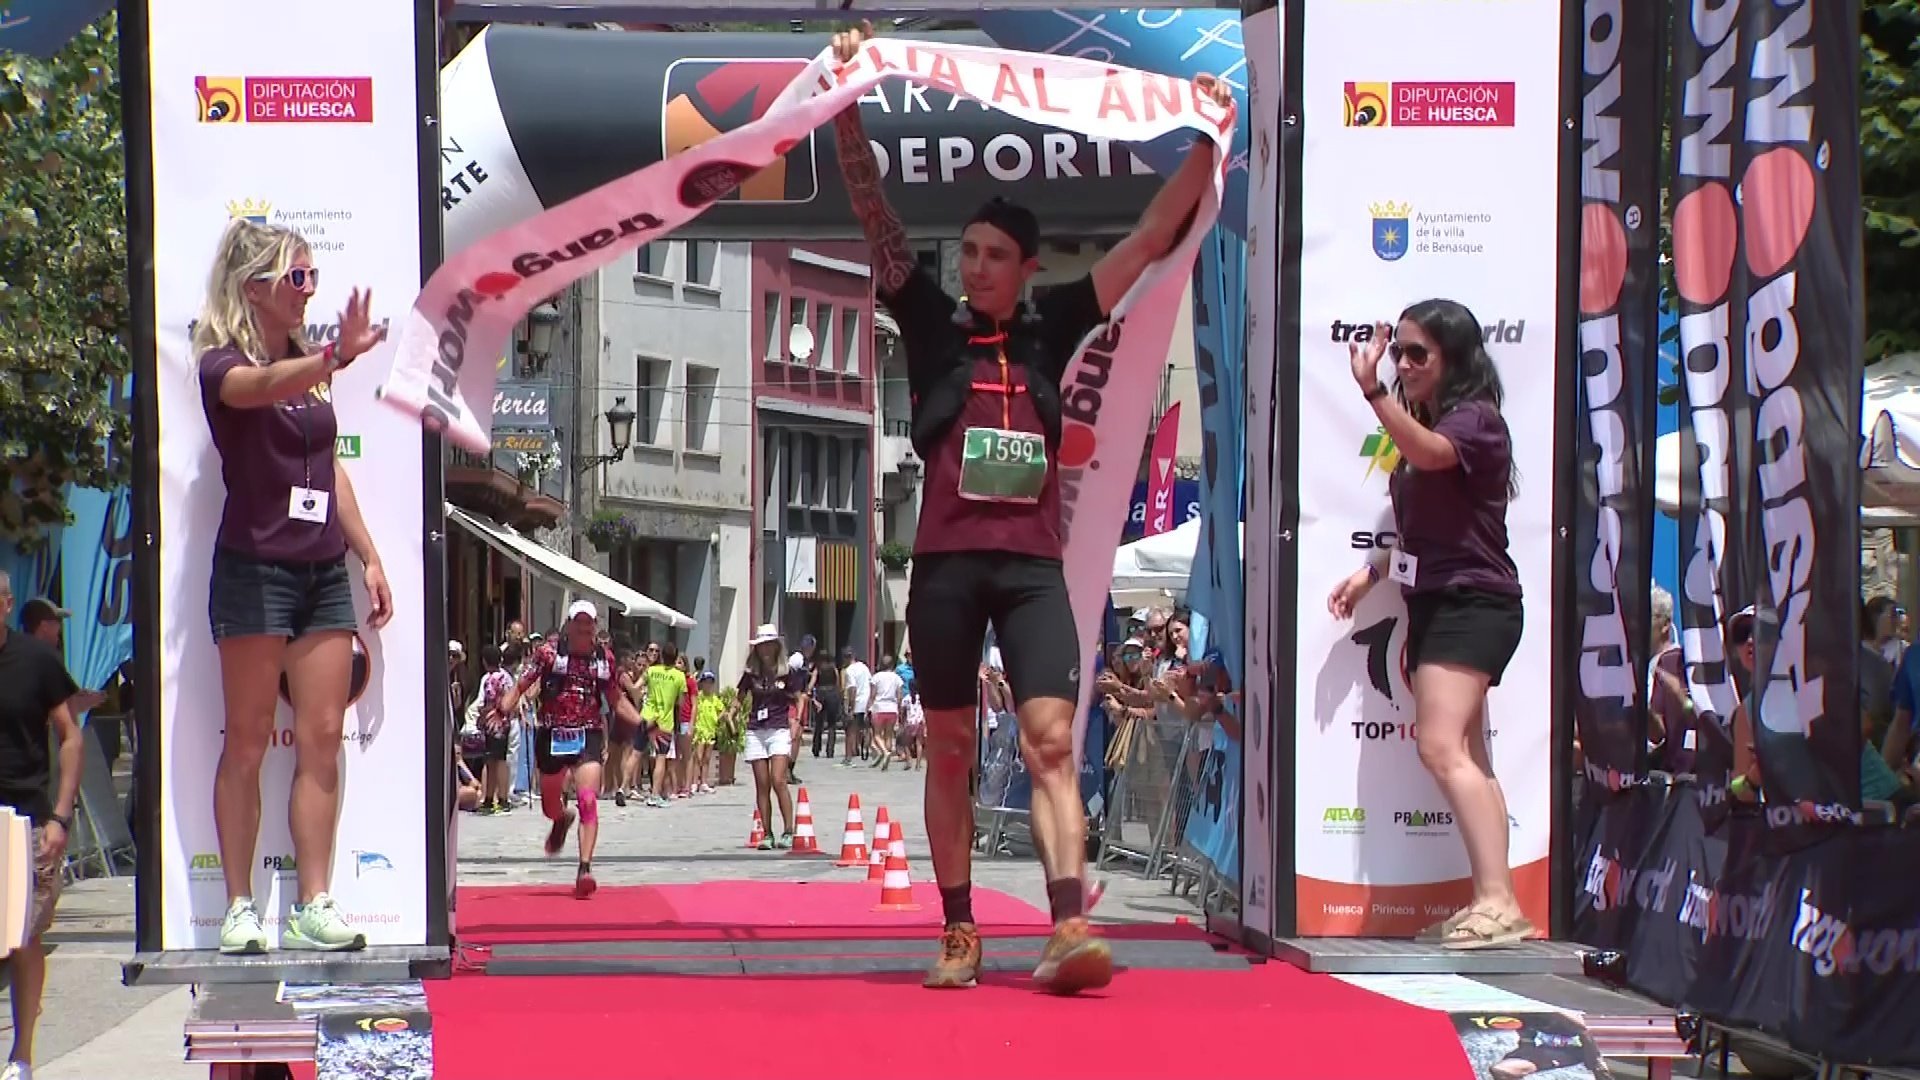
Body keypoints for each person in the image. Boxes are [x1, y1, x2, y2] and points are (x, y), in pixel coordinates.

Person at [829, 19, 1235, 993]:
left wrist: (1209, 139)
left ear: (1026, 267)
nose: (973, 267)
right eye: (966, 252)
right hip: (946, 568)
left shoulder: (1057, 323)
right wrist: (846, 100)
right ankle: (959, 929)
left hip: (1030, 571)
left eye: (992, 255)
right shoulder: (928, 318)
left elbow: (1151, 237)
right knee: (951, 747)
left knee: (1052, 740)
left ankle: (1067, 926)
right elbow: (872, 206)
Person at [195, 217, 392, 954]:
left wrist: (367, 555)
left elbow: (330, 469)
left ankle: (314, 902)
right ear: (255, 288)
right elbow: (258, 388)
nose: (309, 290)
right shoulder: (221, 364)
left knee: (321, 738)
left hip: (321, 571)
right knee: (247, 739)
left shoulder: (311, 368)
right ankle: (238, 906)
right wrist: (331, 357)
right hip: (254, 569)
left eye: (312, 276)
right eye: (297, 277)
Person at [1326, 299, 1530, 950]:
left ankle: (1498, 903)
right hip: (1441, 600)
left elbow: (1434, 454)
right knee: (1470, 756)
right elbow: (1425, 529)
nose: (1405, 365)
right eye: (1399, 353)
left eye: (1419, 354)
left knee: (1440, 748)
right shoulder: (1430, 421)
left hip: (1473, 602)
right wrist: (1374, 572)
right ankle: (1495, 901)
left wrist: (1372, 391)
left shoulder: (1475, 421)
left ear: (1454, 358)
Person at [496, 600, 642, 898]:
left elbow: (615, 699)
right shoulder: (549, 654)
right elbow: (523, 684)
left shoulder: (603, 659)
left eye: (589, 623)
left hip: (588, 732)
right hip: (553, 734)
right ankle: (561, 818)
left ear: (595, 627)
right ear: (569, 625)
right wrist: (503, 709)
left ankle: (584, 868)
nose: (584, 629)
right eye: (579, 623)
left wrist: (643, 724)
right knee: (550, 803)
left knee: (588, 799)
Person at [0, 572, 83, 1080]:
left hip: (24, 822)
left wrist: (61, 815)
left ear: (6, 605)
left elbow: (70, 737)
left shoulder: (37, 660)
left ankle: (22, 1054)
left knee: (24, 936)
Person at [742, 624, 801, 848]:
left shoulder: (787, 672)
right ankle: (767, 833)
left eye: (768, 645)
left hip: (778, 727)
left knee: (778, 779)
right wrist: (731, 712)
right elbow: (740, 695)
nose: (765, 649)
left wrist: (796, 721)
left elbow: (799, 698)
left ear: (776, 646)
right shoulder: (751, 673)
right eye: (761, 646)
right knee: (762, 783)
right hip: (756, 728)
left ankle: (788, 830)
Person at [640, 642, 685, 807]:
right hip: (665, 722)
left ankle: (624, 788)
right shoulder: (679, 676)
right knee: (660, 758)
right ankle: (655, 794)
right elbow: (680, 703)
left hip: (647, 716)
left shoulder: (651, 671)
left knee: (636, 753)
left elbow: (638, 687)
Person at [475, 644, 516, 812]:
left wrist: (482, 716)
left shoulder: (487, 679)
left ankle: (489, 798)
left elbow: (483, 702)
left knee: (491, 761)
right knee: (501, 760)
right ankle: (503, 798)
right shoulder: (507, 677)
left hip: (490, 723)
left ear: (485, 661)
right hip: (503, 723)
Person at [868, 655, 906, 770]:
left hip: (879, 707)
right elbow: (899, 696)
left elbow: (873, 695)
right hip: (892, 708)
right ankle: (886, 758)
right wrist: (899, 709)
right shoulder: (897, 678)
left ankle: (885, 752)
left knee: (876, 734)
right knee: (888, 735)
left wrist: (868, 707)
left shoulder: (876, 677)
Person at [690, 669, 723, 794]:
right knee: (698, 757)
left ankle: (704, 782)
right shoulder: (699, 697)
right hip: (700, 730)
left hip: (711, 730)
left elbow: (722, 710)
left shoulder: (714, 699)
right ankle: (694, 782)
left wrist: (717, 719)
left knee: (707, 757)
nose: (708, 685)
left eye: (710, 683)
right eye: (705, 682)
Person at [842, 646, 873, 765]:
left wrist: (851, 707)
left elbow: (852, 689)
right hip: (866, 702)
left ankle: (848, 757)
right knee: (866, 728)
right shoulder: (864, 667)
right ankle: (866, 750)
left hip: (857, 702)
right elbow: (870, 683)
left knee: (850, 731)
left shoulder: (849, 670)